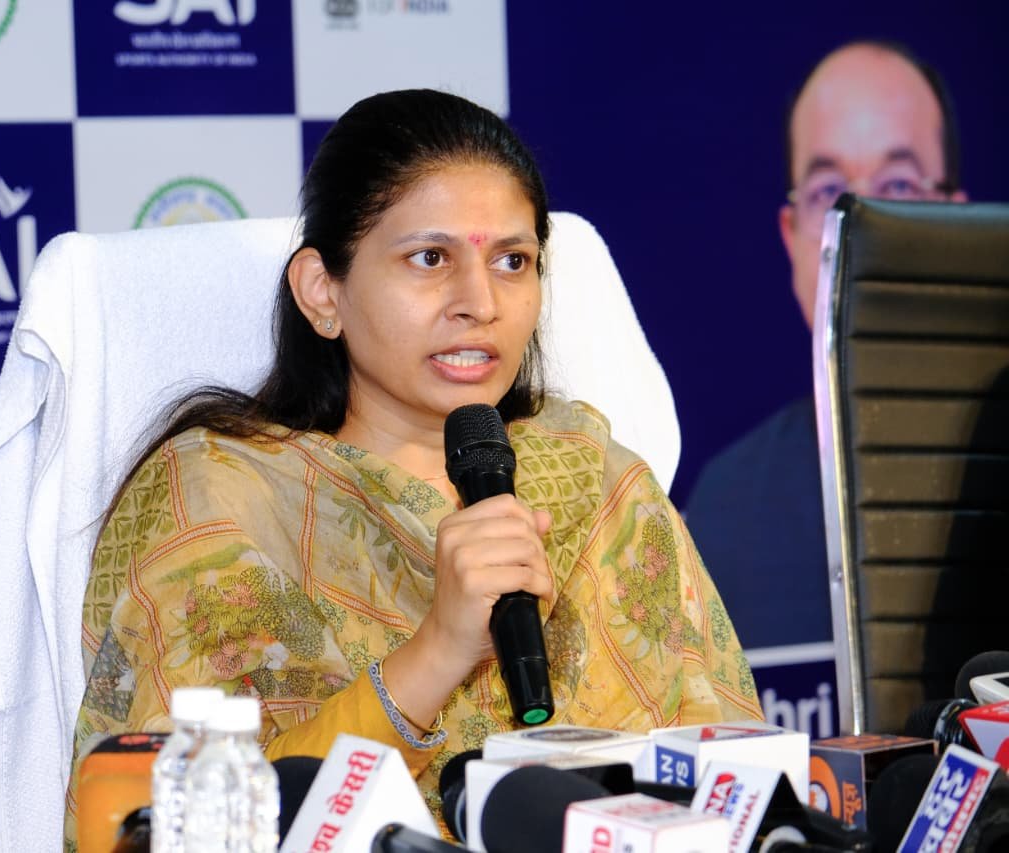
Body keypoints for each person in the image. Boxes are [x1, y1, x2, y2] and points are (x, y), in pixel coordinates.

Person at [66, 88, 760, 842]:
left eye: (513, 261)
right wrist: (440, 648)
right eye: (430, 258)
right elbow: (212, 821)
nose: (479, 302)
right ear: (322, 292)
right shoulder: (218, 500)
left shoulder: (596, 482)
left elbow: (731, 773)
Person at [684, 42, 966, 651]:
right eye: (827, 191)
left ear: (956, 221)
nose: (857, 224)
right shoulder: (724, 507)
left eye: (900, 184)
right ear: (791, 239)